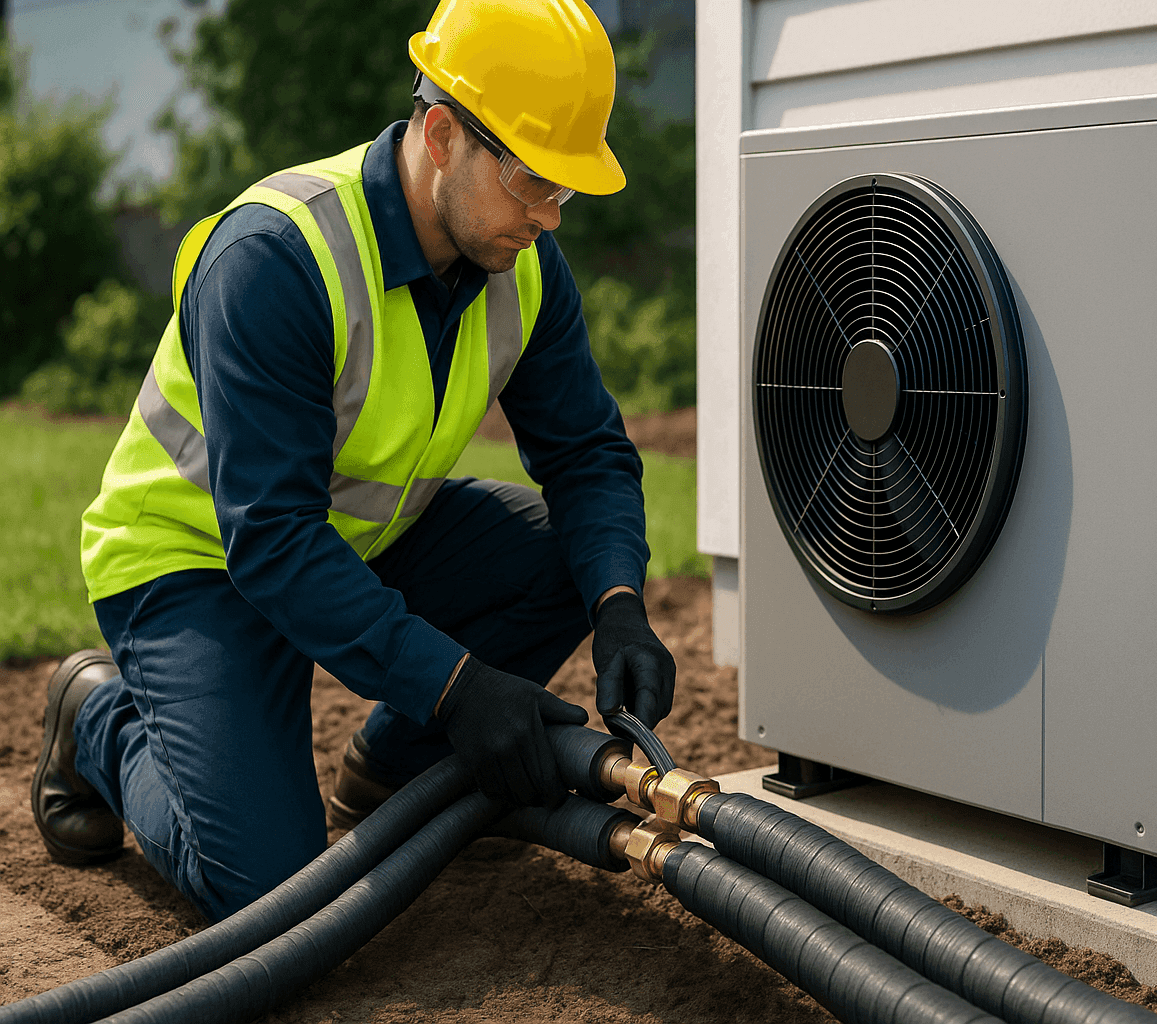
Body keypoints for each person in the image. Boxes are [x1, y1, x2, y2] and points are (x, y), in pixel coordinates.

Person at [30, 0, 675, 923]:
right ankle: (95, 715)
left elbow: (588, 456)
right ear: (444, 134)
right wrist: (457, 690)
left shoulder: (520, 263)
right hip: (198, 562)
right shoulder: (275, 259)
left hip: (349, 543)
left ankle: (396, 775)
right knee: (268, 890)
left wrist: (619, 610)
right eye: (534, 181)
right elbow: (273, 543)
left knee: (566, 554)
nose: (549, 217)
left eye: (566, 192)